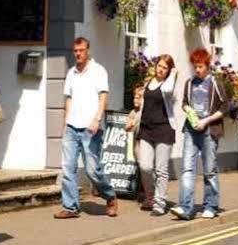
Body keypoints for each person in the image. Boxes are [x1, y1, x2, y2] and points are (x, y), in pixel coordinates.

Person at [55, 37, 118, 219]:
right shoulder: (71, 73)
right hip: (72, 128)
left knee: (92, 170)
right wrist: (65, 122)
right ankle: (70, 207)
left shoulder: (98, 71)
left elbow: (103, 96)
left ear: (87, 50)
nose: (78, 54)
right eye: (75, 51)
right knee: (68, 168)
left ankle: (110, 196)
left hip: (91, 128)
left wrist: (97, 119)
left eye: (81, 50)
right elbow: (68, 98)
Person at [171, 48, 228, 221]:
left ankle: (210, 206)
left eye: (200, 66)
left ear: (207, 66)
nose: (197, 69)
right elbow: (185, 103)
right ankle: (186, 208)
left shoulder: (215, 83)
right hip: (190, 129)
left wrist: (206, 120)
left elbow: (225, 107)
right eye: (195, 66)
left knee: (209, 170)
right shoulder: (189, 83)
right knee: (187, 168)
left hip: (209, 130)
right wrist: (188, 110)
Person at [128, 55, 177, 216]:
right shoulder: (148, 82)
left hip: (164, 129)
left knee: (161, 169)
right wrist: (133, 123)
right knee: (145, 166)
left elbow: (168, 90)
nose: (161, 69)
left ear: (169, 70)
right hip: (147, 130)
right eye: (159, 66)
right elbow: (142, 107)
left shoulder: (168, 85)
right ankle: (150, 197)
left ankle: (159, 203)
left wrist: (174, 73)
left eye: (165, 67)